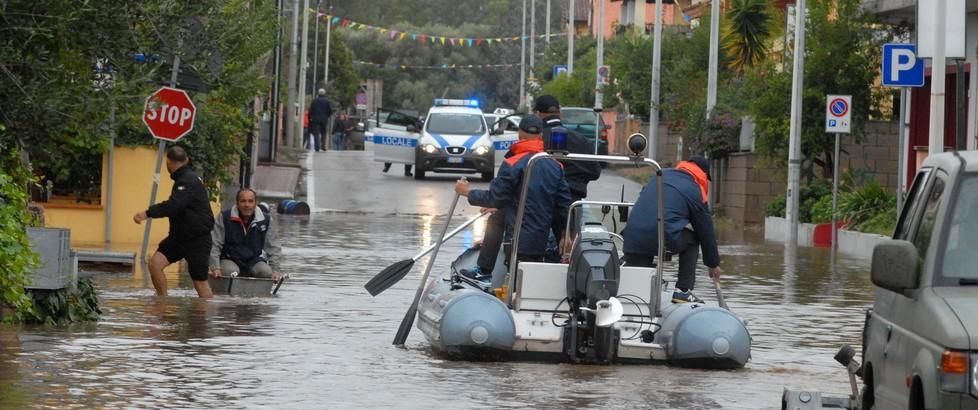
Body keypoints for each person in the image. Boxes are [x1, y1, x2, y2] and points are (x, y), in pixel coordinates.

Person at [455, 116, 571, 280]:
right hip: (541, 237)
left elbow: (495, 197)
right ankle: (484, 269)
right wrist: (567, 233)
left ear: (520, 134)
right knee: (497, 218)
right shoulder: (555, 165)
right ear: (540, 136)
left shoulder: (513, 163)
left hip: (519, 240)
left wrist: (467, 192)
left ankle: (485, 272)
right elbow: (564, 204)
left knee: (518, 281)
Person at [621, 155, 722, 303]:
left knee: (637, 292)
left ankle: (633, 298)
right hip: (660, 236)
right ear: (703, 175)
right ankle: (683, 291)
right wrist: (713, 263)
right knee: (693, 239)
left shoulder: (658, 176)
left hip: (632, 237)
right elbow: (705, 230)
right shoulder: (694, 189)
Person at [133, 146, 216, 298]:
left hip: (197, 240)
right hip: (178, 238)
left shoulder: (187, 180)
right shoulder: (185, 178)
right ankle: (162, 302)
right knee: (155, 264)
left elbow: (174, 205)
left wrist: (147, 213)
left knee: (200, 282)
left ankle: (208, 318)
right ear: (187, 160)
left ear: (168, 162)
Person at [533, 95, 602, 203]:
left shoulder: (535, 140)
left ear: (537, 114)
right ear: (559, 112)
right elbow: (595, 172)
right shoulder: (581, 140)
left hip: (539, 202)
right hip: (573, 202)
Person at [209, 188, 282, 281]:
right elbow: (214, 244)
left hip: (253, 260)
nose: (247, 205)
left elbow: (274, 248)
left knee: (266, 272)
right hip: (229, 259)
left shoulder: (266, 220)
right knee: (231, 271)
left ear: (255, 203)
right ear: (237, 203)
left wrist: (275, 270)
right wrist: (215, 267)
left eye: (250, 201)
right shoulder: (224, 217)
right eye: (243, 201)